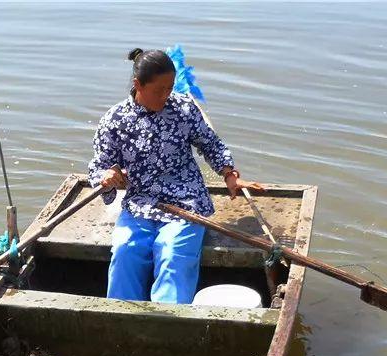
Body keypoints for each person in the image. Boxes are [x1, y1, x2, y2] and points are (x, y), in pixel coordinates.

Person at [88, 48, 265, 304]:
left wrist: (230, 175)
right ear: (138, 85)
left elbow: (210, 144)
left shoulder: (183, 108)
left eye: (170, 88)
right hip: (141, 203)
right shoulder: (115, 120)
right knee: (126, 250)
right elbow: (99, 167)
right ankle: (121, 316)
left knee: (172, 252)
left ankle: (169, 321)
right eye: (159, 90)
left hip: (185, 201)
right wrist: (107, 178)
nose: (166, 95)